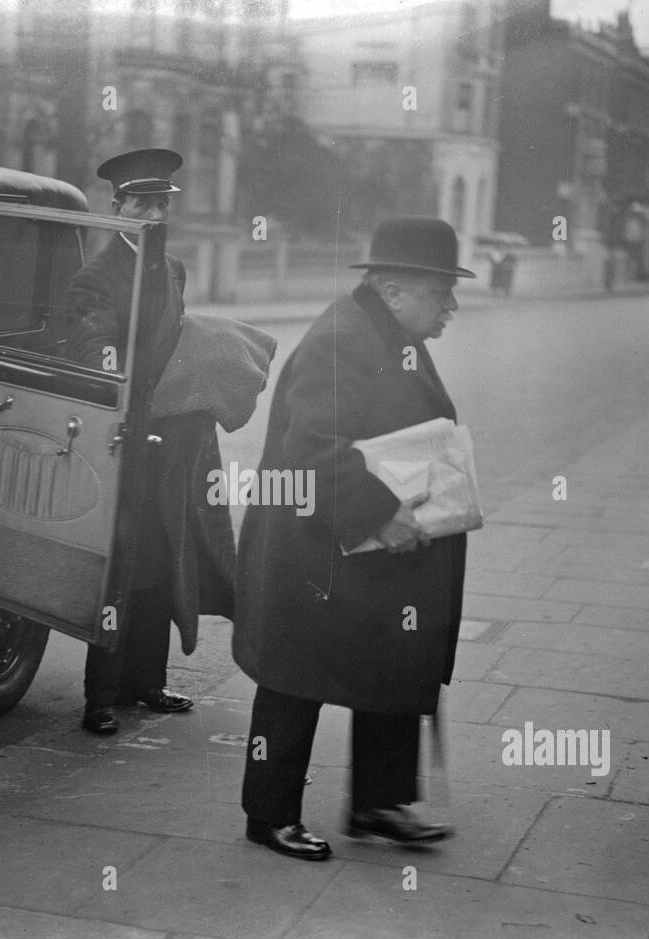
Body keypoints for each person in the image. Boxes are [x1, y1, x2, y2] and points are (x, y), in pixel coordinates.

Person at [233, 216, 474, 861]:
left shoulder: (385, 329)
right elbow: (309, 450)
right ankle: (271, 813)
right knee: (296, 674)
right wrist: (380, 514)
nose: (451, 305)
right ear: (393, 290)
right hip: (312, 548)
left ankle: (378, 803)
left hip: (351, 547)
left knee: (394, 658)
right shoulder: (345, 340)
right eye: (440, 291)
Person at [64, 147, 201, 735]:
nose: (152, 214)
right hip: (118, 437)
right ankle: (100, 696)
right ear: (116, 205)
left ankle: (147, 682)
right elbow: (100, 354)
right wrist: (119, 386)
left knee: (159, 557)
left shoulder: (173, 270)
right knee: (117, 567)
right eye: (141, 202)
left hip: (166, 435)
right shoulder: (95, 277)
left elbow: (177, 341)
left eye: (161, 203)